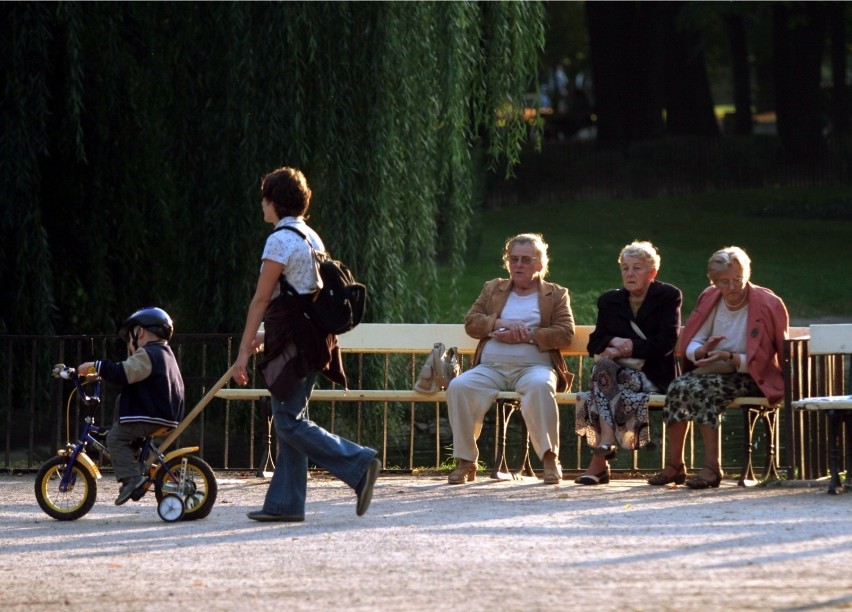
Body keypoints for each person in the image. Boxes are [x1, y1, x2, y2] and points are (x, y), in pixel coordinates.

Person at [231, 166, 381, 522]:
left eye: (264, 200)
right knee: (291, 418)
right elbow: (303, 296)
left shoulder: (279, 239)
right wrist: (266, 337)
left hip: (296, 343)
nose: (262, 207)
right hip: (310, 338)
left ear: (274, 202)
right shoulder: (311, 236)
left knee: (287, 422)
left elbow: (262, 300)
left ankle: (359, 463)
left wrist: (242, 352)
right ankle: (285, 503)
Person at [648, 246, 789, 489]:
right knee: (678, 386)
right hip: (715, 371)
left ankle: (712, 468)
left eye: (738, 280)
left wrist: (732, 357)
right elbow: (693, 343)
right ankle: (675, 465)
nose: (733, 287)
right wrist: (703, 351)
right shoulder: (711, 297)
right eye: (725, 282)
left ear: (747, 274)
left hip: (751, 375)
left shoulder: (768, 303)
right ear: (714, 282)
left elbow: (772, 356)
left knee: (703, 390)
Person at [446, 233, 575, 485]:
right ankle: (466, 462)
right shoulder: (493, 288)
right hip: (491, 367)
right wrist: (500, 322)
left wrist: (527, 336)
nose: (518, 265)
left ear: (539, 264)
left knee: (540, 386)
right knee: (459, 386)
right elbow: (472, 324)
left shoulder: (556, 294)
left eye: (526, 260)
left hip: (534, 366)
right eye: (513, 259)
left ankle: (550, 460)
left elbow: (565, 332)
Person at [574, 241, 682, 485]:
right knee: (603, 373)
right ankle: (605, 445)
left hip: (654, 375)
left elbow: (666, 342)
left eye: (637, 268)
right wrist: (613, 339)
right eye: (625, 268)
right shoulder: (609, 301)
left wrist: (629, 347)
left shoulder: (668, 296)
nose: (630, 274)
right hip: (617, 377)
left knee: (598, 388)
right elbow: (595, 342)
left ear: (652, 273)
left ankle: (600, 460)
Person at [78, 307, 185, 505]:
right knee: (122, 417)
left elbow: (124, 372)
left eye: (129, 338)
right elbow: (132, 374)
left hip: (150, 414)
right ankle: (135, 458)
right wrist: (100, 374)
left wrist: (97, 366)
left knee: (115, 437)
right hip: (162, 414)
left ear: (140, 332)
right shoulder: (164, 353)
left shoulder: (148, 353)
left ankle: (132, 479)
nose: (129, 344)